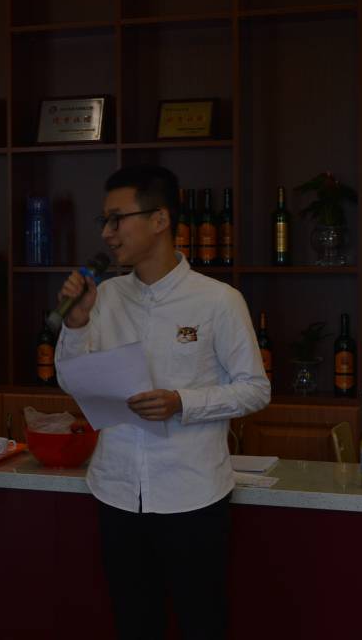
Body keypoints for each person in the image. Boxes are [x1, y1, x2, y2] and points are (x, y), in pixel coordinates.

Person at [54, 165, 270, 640]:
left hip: (192, 494)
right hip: (116, 491)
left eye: (118, 219)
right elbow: (72, 382)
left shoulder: (218, 301)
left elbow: (255, 388)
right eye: (104, 221)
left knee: (201, 623)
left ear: (160, 219)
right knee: (134, 623)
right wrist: (76, 323)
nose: (108, 233)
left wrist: (182, 402)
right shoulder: (103, 297)